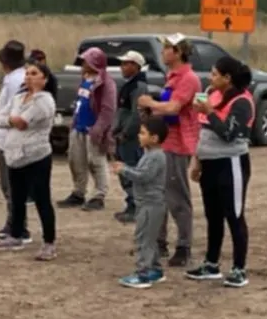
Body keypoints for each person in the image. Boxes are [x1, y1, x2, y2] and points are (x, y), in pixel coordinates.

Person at [185, 57, 253, 288]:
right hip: (210, 163)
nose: (210, 78)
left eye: (214, 75)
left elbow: (229, 133)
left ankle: (239, 268)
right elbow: (203, 131)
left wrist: (210, 112)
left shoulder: (242, 102)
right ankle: (211, 263)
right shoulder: (212, 94)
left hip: (231, 163)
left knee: (234, 215)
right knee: (213, 215)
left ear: (228, 78)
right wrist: (197, 160)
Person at [137, 33, 201, 267]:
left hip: (178, 144)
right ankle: (159, 241)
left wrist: (150, 104)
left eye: (166, 48)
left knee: (177, 198)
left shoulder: (188, 78)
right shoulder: (171, 77)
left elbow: (174, 107)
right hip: (164, 142)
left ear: (178, 52)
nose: (163, 52)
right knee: (158, 195)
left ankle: (184, 246)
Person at [0, 60, 57, 260]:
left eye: (34, 73)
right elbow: (0, 119)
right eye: (27, 73)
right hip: (15, 156)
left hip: (35, 156)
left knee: (41, 199)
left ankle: (49, 242)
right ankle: (16, 234)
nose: (29, 77)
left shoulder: (44, 101)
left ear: (44, 80)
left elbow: (23, 122)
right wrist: (11, 119)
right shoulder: (19, 98)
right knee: (17, 197)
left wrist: (12, 119)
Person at [112, 117, 168, 289]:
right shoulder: (149, 154)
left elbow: (144, 176)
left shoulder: (156, 157)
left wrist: (124, 170)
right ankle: (155, 269)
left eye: (143, 133)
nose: (139, 136)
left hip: (151, 204)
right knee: (150, 238)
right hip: (147, 203)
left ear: (154, 138)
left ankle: (142, 273)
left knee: (143, 239)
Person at [58, 46, 115, 212]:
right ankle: (78, 192)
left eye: (86, 61)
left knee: (96, 162)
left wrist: (99, 129)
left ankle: (99, 195)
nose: (83, 63)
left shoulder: (106, 83)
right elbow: (80, 103)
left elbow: (107, 109)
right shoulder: (86, 78)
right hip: (79, 127)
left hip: (93, 128)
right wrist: (74, 124)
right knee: (76, 161)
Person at [0, 40, 30, 242]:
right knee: (8, 185)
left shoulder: (16, 81)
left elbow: (14, 110)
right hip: (3, 138)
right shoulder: (13, 78)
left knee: (11, 186)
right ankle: (14, 222)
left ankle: (19, 227)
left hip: (8, 139)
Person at [112, 51, 148, 223]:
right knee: (124, 172)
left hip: (130, 138)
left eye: (127, 63)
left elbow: (136, 114)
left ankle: (136, 207)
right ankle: (130, 204)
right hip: (123, 135)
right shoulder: (129, 85)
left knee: (131, 170)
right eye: (122, 63)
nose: (123, 67)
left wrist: (126, 133)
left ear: (136, 66)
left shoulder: (138, 86)